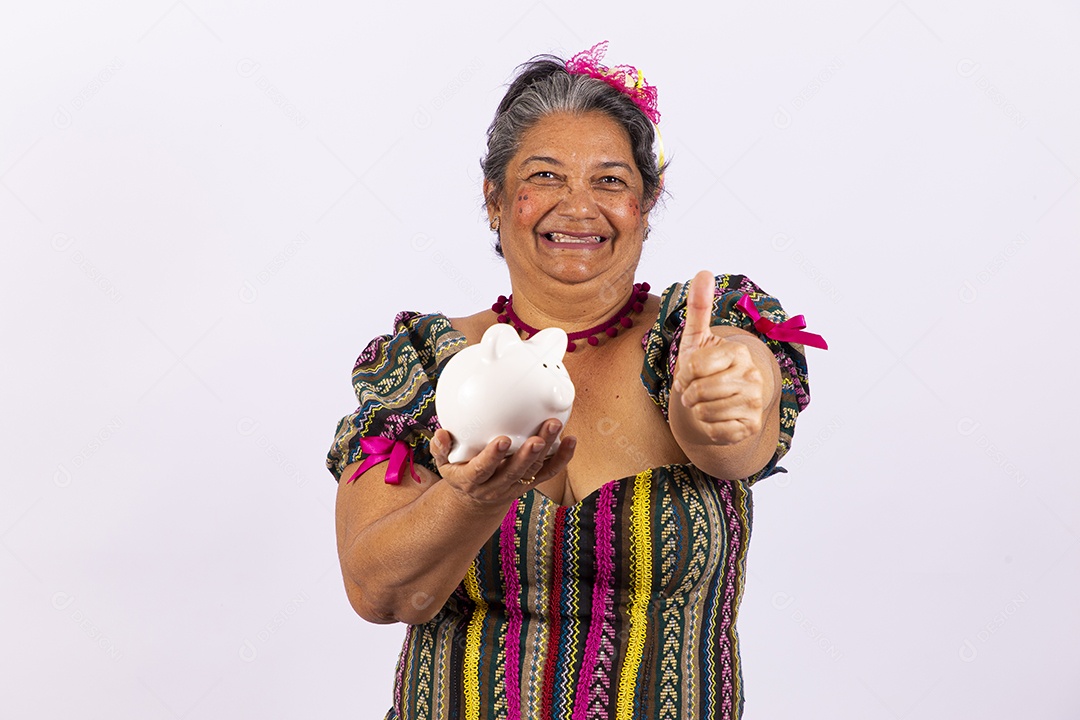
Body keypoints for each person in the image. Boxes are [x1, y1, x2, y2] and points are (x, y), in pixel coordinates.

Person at [327, 41, 824, 720]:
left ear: (647, 204)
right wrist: (471, 499)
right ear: (495, 199)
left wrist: (720, 400)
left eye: (611, 180)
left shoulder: (697, 335)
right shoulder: (423, 364)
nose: (579, 206)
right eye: (546, 176)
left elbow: (736, 440)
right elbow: (379, 592)